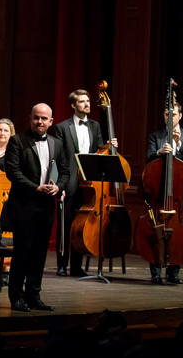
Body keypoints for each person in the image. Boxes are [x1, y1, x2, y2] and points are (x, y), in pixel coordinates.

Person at [5, 103, 69, 312]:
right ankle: (16, 297)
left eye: (44, 119)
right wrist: (36, 188)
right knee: (22, 254)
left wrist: (58, 187)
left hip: (45, 207)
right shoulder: (17, 141)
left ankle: (33, 295)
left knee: (39, 255)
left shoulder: (57, 144)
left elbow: (66, 172)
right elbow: (12, 172)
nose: (39, 122)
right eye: (36, 118)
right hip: (24, 205)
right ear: (30, 118)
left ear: (51, 122)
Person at [53, 89, 117, 278]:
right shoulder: (62, 127)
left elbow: (98, 152)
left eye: (88, 101)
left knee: (81, 226)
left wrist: (109, 146)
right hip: (69, 183)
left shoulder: (95, 126)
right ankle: (62, 265)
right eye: (82, 101)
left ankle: (76, 267)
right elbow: (58, 157)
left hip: (89, 185)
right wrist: (60, 185)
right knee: (65, 227)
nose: (87, 104)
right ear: (73, 105)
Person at [146, 103, 183, 285]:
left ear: (180, 116)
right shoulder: (155, 136)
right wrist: (159, 152)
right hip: (160, 193)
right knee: (156, 231)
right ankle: (155, 271)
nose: (170, 118)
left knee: (178, 233)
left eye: (174, 114)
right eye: (167, 114)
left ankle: (173, 272)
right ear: (164, 115)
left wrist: (179, 145)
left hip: (180, 195)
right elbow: (149, 157)